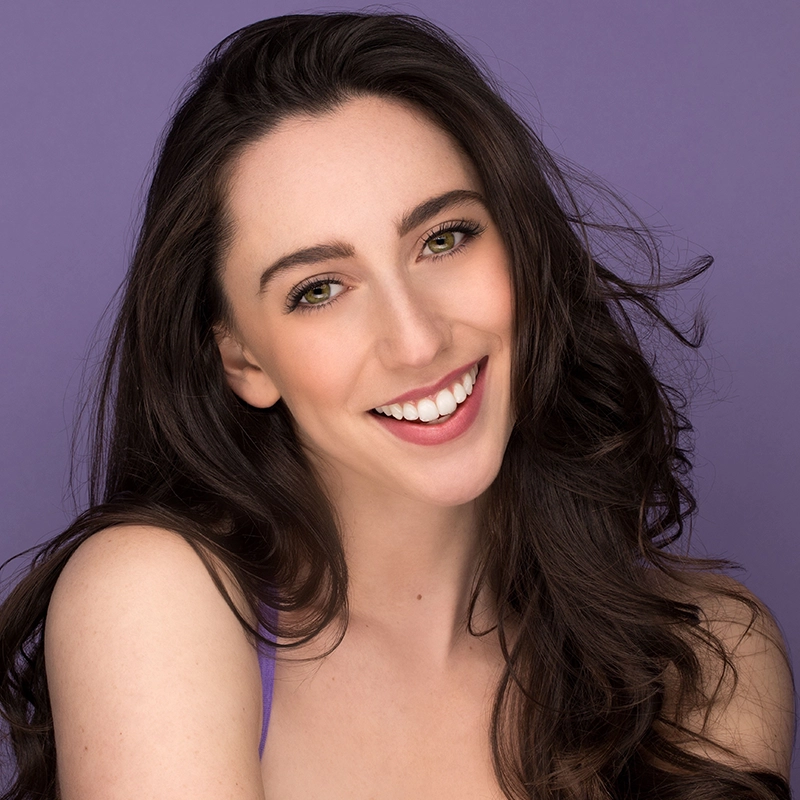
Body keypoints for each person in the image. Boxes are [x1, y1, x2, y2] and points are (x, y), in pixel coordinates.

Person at [0, 11, 793, 800]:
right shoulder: (156, 598)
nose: (416, 341)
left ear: (521, 244)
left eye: (443, 239)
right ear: (241, 357)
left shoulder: (704, 659)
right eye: (319, 289)